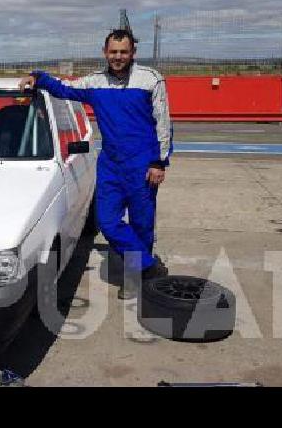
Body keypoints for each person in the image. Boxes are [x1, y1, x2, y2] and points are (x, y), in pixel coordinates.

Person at [18, 28, 172, 299]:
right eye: (113, 52)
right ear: (105, 53)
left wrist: (159, 163)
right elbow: (63, 88)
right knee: (108, 222)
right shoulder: (94, 82)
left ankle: (135, 276)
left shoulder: (151, 79)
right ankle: (149, 266)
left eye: (124, 52)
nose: (118, 57)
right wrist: (38, 77)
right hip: (111, 164)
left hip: (142, 164)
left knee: (142, 223)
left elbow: (164, 123)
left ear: (133, 52)